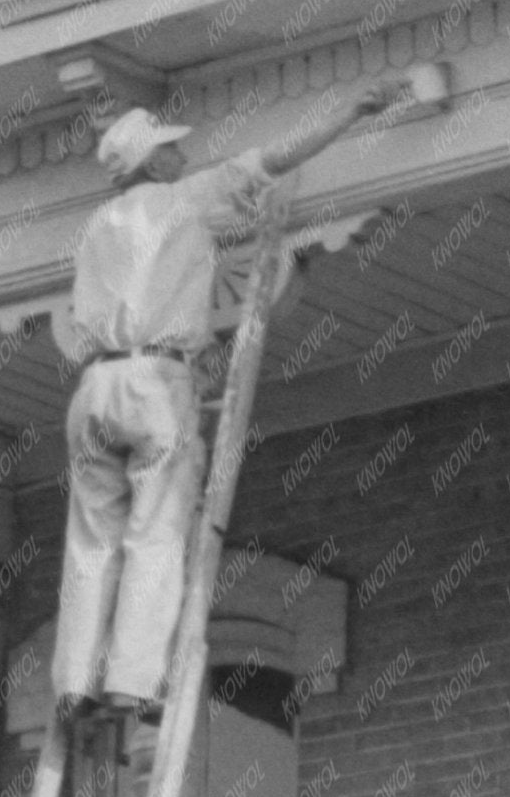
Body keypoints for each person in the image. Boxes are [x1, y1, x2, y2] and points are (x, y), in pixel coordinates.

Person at [53, 65, 449, 714]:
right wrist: (352, 107)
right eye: (169, 147)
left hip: (94, 386)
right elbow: (277, 156)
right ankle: (130, 680)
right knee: (155, 530)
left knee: (92, 540)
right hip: (155, 379)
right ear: (152, 164)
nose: (181, 153)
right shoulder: (184, 198)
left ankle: (72, 681)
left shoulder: (97, 225)